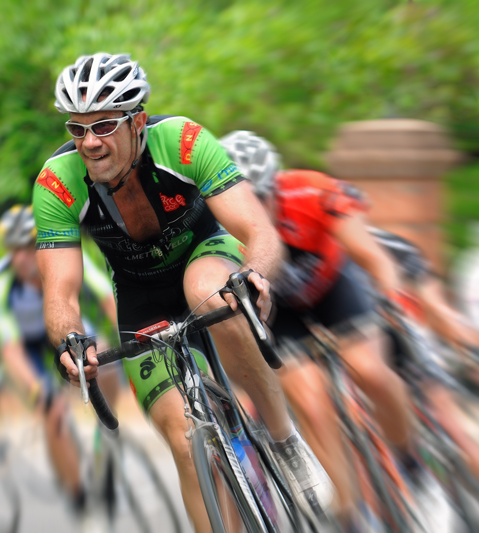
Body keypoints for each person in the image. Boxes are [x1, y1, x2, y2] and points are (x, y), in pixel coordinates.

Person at [33, 53, 333, 531]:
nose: (89, 142)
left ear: (138, 121)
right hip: (139, 295)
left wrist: (254, 273)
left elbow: (260, 230)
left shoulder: (182, 140)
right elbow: (59, 290)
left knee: (210, 292)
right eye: (77, 129)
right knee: (184, 440)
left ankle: (283, 439)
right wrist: (71, 339)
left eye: (105, 125)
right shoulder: (57, 183)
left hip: (206, 255)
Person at [220, 130, 415, 522]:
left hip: (334, 289)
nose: (254, 209)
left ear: (276, 186)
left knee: (371, 372)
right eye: (244, 202)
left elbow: (372, 257)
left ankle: (411, 459)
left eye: (261, 197)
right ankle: (350, 514)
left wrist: (395, 299)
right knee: (311, 402)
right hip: (281, 312)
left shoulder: (308, 193)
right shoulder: (218, 234)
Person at [0, 204, 119, 521]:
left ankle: (106, 448)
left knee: (107, 359)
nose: (22, 258)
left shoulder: (66, 260)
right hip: (26, 344)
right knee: (52, 410)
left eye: (29, 247)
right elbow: (10, 350)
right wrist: (35, 392)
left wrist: (132, 337)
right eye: (14, 250)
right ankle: (77, 492)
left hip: (63, 331)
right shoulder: (0, 285)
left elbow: (107, 299)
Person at [370, 227, 479, 480]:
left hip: (400, 335)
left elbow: (439, 312)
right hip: (369, 335)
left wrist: (468, 353)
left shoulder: (398, 251)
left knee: (444, 416)